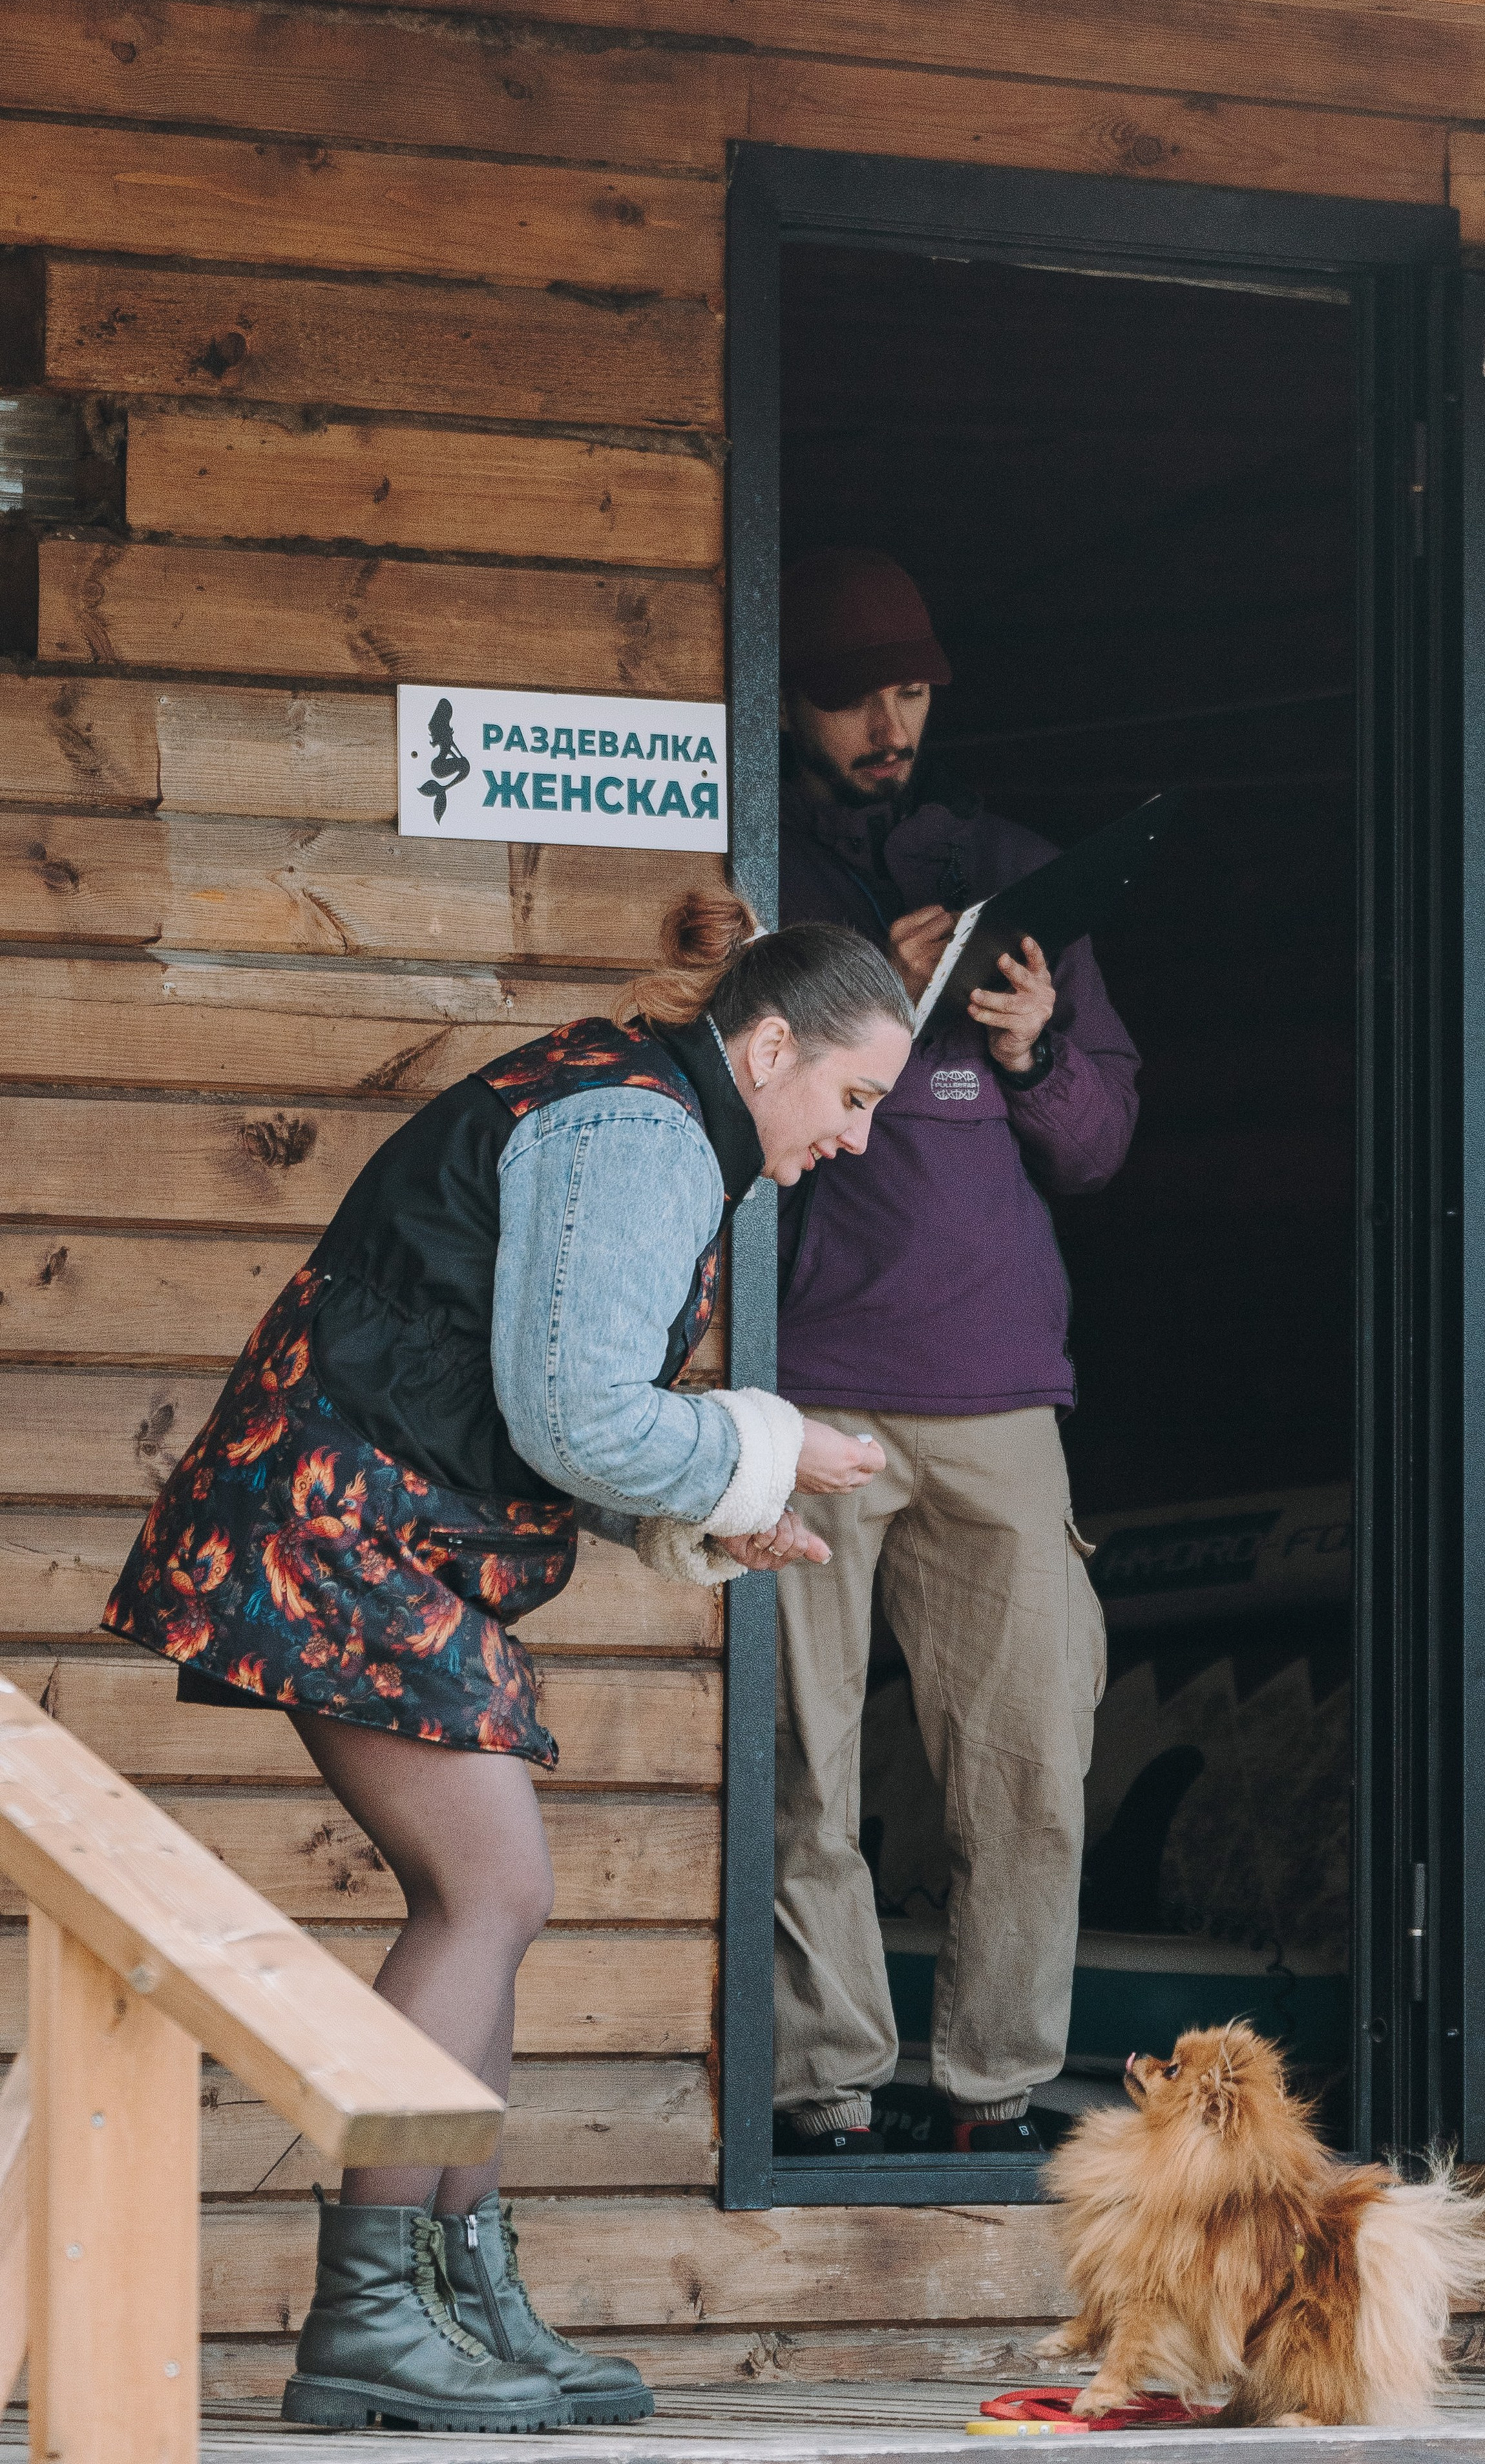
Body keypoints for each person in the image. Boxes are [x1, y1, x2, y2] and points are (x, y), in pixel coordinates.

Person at [103, 890, 913, 2433]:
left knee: (491, 1895)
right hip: (331, 1523)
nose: (859, 1134)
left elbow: (525, 1396)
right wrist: (768, 1442)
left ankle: (456, 2300)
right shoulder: (640, 1131)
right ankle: (373, 2314)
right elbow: (579, 1416)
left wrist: (715, 1516)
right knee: (492, 1891)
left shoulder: (635, 1104)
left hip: (363, 1518)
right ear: (766, 1046)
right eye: (853, 1094)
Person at [772, 547, 1142, 2158]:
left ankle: (995, 2095)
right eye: (855, 690)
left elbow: (1103, 1137)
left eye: (911, 688)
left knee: (1030, 1770)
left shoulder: (1015, 877)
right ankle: (826, 2089)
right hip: (807, 1377)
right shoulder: (759, 864)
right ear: (785, 691)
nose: (887, 719)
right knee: (803, 1767)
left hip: (1002, 1392)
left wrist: (1030, 1039)